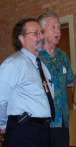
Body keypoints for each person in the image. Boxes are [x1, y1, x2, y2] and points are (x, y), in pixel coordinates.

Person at [0, 18, 54, 147]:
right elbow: (1, 99)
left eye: (41, 32)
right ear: (22, 39)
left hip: (43, 130)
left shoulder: (42, 66)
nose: (41, 37)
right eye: (35, 33)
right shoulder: (13, 64)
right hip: (23, 131)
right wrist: (3, 124)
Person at [37, 12, 74, 147]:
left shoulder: (62, 55)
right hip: (42, 120)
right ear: (42, 32)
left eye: (59, 27)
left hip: (62, 119)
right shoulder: (35, 56)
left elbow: (70, 80)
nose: (58, 31)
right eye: (53, 27)